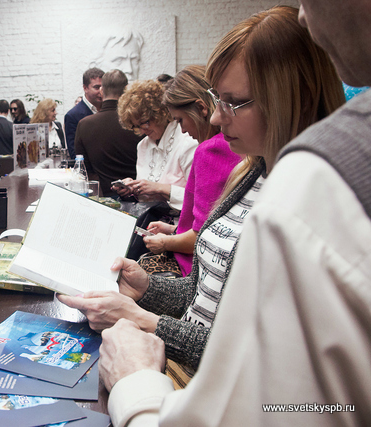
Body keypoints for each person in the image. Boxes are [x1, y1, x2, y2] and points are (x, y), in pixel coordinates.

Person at [99, 4, 371, 425]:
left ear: (289, 96)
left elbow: (246, 366)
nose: (214, 117)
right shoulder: (249, 171)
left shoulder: (308, 191)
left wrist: (147, 327)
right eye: (215, 100)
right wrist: (147, 287)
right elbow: (202, 295)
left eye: (233, 103)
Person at [138, 65, 241, 277]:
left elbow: (202, 237)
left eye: (180, 120)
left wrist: (165, 242)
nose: (183, 130)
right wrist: (174, 230)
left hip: (193, 269)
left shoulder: (210, 149)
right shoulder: (234, 145)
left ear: (201, 109)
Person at [115, 79, 198, 211]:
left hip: (179, 220)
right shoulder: (143, 146)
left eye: (144, 122)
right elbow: (145, 195)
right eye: (136, 126)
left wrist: (160, 188)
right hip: (150, 217)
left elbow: (200, 198)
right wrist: (133, 188)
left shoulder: (187, 141)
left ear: (159, 113)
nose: (142, 131)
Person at [74, 69, 141, 197]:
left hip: (102, 197)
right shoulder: (137, 122)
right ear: (126, 90)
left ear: (101, 90)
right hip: (138, 194)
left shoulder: (84, 125)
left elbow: (83, 169)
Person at [64, 68, 104, 158]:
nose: (101, 91)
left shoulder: (109, 110)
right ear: (85, 88)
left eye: (103, 87)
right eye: (96, 87)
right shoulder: (73, 116)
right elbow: (75, 153)